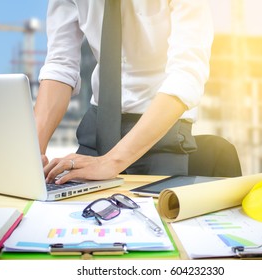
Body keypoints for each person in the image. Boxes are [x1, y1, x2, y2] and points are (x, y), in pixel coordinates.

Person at [35, 0, 214, 184]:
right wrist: (31, 153)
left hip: (160, 132)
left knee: (154, 210)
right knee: (62, 202)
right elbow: (60, 66)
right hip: (96, 127)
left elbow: (186, 75)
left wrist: (111, 162)